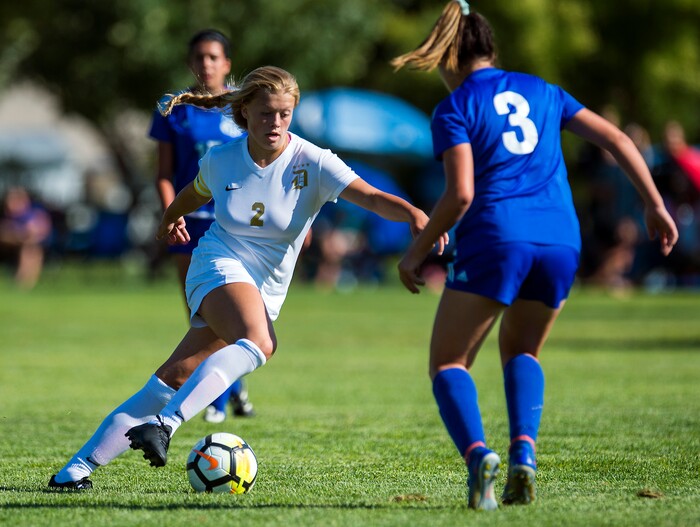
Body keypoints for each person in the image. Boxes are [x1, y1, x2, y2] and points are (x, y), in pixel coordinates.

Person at [48, 65, 447, 490]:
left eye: (284, 114)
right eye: (265, 114)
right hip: (216, 265)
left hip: (264, 288)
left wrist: (414, 214)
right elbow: (192, 192)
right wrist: (170, 219)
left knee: (174, 378)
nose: (275, 123)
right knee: (261, 341)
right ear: (244, 113)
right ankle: (165, 425)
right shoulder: (222, 159)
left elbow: (369, 196)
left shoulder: (312, 161)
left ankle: (74, 470)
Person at [391, 0, 678, 511]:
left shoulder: (455, 108)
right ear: (492, 50)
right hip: (562, 239)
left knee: (449, 361)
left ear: (449, 57)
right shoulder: (544, 90)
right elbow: (614, 138)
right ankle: (524, 453)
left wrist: (416, 250)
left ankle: (479, 456)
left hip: (499, 236)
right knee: (522, 350)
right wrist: (655, 204)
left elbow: (460, 194)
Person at [148, 29, 253, 423]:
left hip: (233, 229)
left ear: (227, 63)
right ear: (191, 63)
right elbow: (163, 174)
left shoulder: (244, 106)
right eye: (200, 57)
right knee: (200, 314)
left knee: (231, 312)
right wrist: (170, 214)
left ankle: (219, 401)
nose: (206, 64)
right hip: (188, 227)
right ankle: (235, 386)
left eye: (214, 57)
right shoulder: (173, 108)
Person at [0, 186, 52, 289]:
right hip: (8, 246)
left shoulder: (34, 214)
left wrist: (17, 235)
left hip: (32, 245)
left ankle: (24, 281)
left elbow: (37, 233)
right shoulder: (6, 216)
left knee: (30, 249)